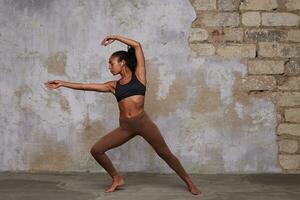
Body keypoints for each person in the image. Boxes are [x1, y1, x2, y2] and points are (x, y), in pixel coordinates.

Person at [44, 35, 201, 195]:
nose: (109, 67)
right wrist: (63, 83)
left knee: (165, 154)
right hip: (126, 128)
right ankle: (116, 177)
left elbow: (137, 46)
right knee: (96, 150)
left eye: (111, 63)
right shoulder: (113, 86)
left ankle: (189, 182)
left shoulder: (139, 76)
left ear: (122, 62)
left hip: (143, 124)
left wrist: (115, 37)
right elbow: (85, 86)